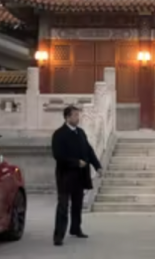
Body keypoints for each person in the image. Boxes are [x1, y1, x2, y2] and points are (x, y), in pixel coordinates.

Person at [51, 105, 102, 246]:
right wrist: (75, 162)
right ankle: (58, 235)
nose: (77, 118)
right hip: (65, 175)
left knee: (77, 203)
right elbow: (58, 155)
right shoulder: (59, 134)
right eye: (74, 115)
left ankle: (76, 228)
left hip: (80, 175)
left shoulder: (80, 132)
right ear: (67, 117)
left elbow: (89, 150)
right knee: (63, 204)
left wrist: (97, 166)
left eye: (78, 115)